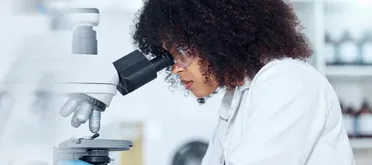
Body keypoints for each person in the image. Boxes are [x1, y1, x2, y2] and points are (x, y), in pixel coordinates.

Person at [132, 0, 356, 165]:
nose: (174, 68)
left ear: (216, 36)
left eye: (181, 52)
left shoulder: (288, 81)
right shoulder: (239, 94)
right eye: (169, 57)